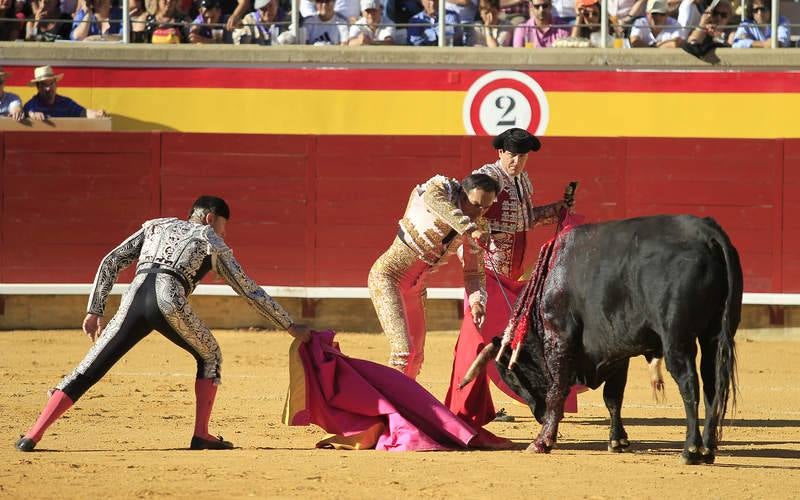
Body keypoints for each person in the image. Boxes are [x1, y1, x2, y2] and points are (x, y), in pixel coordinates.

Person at [15, 196, 310, 452]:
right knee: (210, 355)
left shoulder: (157, 226)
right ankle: (201, 434)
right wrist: (289, 324)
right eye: (223, 224)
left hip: (134, 296)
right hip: (169, 299)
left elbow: (111, 260)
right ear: (210, 217)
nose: (223, 231)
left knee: (90, 367)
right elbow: (248, 289)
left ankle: (33, 434)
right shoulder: (212, 241)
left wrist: (95, 309)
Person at [444, 129, 572, 446]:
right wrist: (467, 252)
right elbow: (465, 214)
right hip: (485, 269)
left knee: (493, 338)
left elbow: (524, 220)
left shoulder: (521, 181)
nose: (517, 161)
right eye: (512, 154)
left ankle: (475, 404)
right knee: (478, 337)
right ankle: (463, 405)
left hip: (508, 270)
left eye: (523, 156)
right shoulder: (488, 178)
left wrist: (556, 208)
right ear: (500, 152)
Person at [368, 174, 498, 380]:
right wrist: (469, 228)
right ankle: (390, 410)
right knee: (403, 353)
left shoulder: (477, 225)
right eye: (475, 204)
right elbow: (432, 200)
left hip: (415, 289)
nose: (478, 212)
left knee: (416, 357)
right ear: (462, 195)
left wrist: (476, 302)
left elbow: (474, 273)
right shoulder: (441, 188)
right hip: (387, 278)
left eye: (485, 207)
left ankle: (406, 406)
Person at [23, 66, 109, 120]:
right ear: (38, 87)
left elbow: (83, 113)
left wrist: (96, 114)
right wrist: (31, 115)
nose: (48, 88)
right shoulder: (31, 105)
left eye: (51, 84)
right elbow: (24, 114)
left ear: (56, 84)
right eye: (44, 85)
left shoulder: (66, 103)